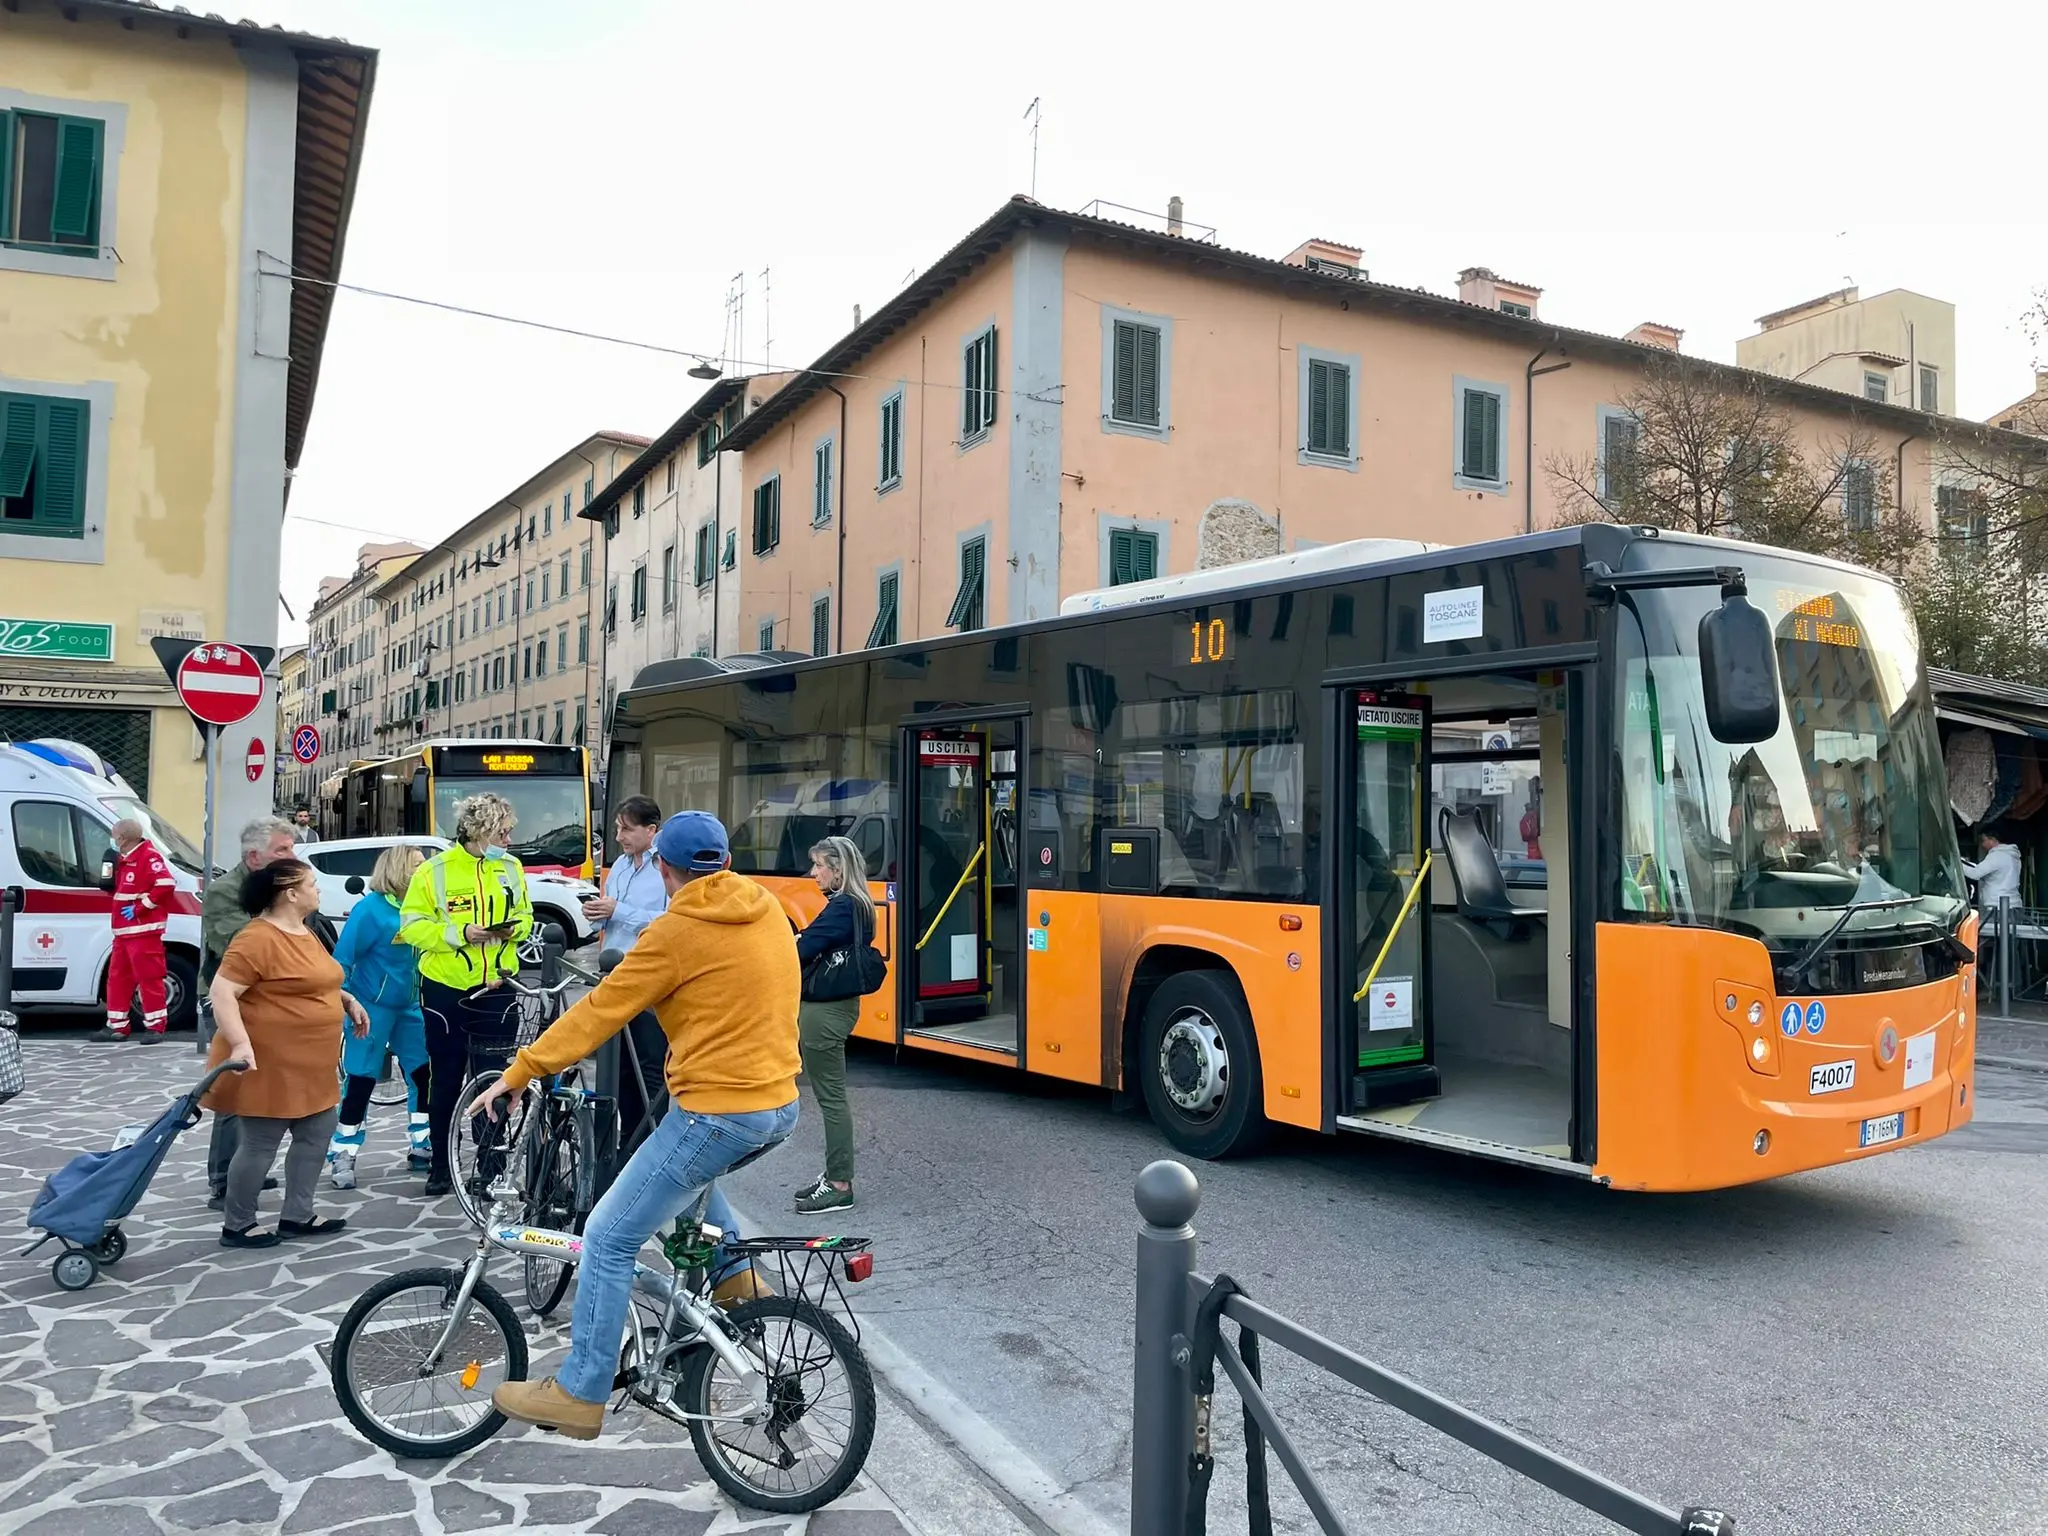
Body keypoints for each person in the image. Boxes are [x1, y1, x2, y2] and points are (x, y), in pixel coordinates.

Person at [468, 810, 800, 1442]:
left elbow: (598, 1012)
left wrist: (520, 1071)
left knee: (609, 1236)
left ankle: (580, 1389)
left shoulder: (675, 932)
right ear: (725, 860)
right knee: (679, 1170)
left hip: (718, 1109)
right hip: (776, 1103)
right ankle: (734, 1277)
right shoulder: (764, 905)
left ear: (666, 869)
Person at [202, 858, 369, 1248]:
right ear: (290, 893)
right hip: (270, 1061)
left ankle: (298, 1214)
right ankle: (238, 1223)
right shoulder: (256, 937)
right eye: (311, 883)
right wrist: (241, 1044)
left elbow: (311, 981)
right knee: (261, 1141)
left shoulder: (303, 930)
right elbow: (222, 993)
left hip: (311, 1062)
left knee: (317, 1131)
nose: (317, 889)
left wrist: (346, 1000)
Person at [399, 791, 533, 1198]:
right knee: (446, 1078)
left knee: (494, 1080)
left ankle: (489, 1170)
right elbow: (411, 927)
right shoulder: (434, 871)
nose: (510, 840)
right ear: (480, 832)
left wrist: (513, 930)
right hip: (447, 990)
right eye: (503, 832)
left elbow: (527, 916)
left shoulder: (511, 867)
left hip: (497, 988)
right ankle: (440, 1167)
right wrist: (460, 934)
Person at [201, 817, 300, 1211]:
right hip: (232, 1001)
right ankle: (223, 1179)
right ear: (255, 856)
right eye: (283, 850)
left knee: (261, 1088)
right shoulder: (224, 891)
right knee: (233, 1090)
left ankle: (247, 1167)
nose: (292, 857)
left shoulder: (284, 891)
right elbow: (238, 943)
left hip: (271, 1002)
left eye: (292, 849)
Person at [327, 844, 433, 1188]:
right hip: (370, 1006)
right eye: (417, 865)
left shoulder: (423, 906)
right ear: (399, 869)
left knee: (421, 1075)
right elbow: (342, 958)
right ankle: (343, 1151)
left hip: (411, 1006)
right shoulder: (369, 910)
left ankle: (422, 1143)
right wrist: (343, 1000)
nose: (424, 870)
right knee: (360, 1079)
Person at [583, 796, 672, 1161]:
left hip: (649, 981)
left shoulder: (666, 868)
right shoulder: (619, 865)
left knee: (649, 1069)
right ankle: (624, 1147)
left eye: (627, 829)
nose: (619, 836)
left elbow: (668, 920)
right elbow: (610, 915)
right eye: (617, 828)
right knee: (617, 1070)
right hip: (615, 979)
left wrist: (621, 910)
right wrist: (596, 914)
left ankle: (654, 1147)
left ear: (651, 830)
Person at [792, 835, 873, 1214]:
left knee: (831, 1098)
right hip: (833, 1007)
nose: (814, 873)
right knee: (830, 1096)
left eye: (820, 865)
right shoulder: (855, 905)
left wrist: (797, 939)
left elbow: (804, 950)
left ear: (838, 870)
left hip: (826, 1011)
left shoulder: (843, 908)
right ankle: (833, 1176)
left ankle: (839, 1184)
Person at [96, 818, 176, 1044]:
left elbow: (166, 884)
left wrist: (142, 908)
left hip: (143, 931)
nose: (112, 840)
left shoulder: (148, 857)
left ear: (122, 839)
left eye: (114, 836)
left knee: (149, 978)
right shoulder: (124, 859)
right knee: (117, 979)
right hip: (123, 931)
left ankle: (155, 1028)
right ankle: (117, 1026)